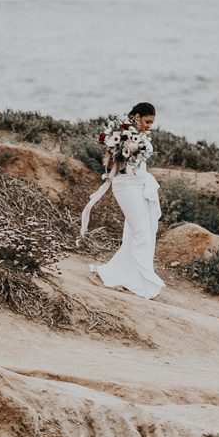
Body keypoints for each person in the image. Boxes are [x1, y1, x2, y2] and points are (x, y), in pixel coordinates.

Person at [81, 102, 164, 300]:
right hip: (126, 187)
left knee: (140, 233)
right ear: (136, 116)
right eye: (147, 121)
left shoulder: (140, 136)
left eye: (152, 123)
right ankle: (142, 281)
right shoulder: (121, 134)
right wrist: (122, 148)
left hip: (141, 185)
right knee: (141, 234)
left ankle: (127, 275)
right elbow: (109, 164)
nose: (149, 126)